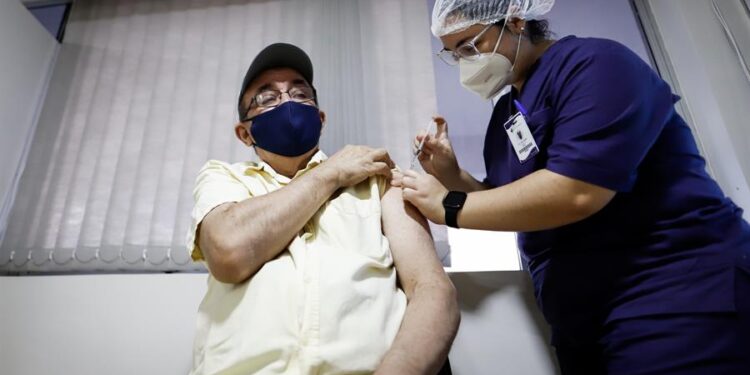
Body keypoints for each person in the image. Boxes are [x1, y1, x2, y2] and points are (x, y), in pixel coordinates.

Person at [393, 0, 750, 373]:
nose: (465, 63)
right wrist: (452, 176)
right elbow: (515, 203)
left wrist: (449, 206)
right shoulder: (508, 113)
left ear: (516, 21)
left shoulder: (597, 65)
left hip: (674, 294)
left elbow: (577, 191)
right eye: (454, 54)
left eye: (470, 46)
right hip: (584, 318)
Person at [186, 43, 459, 375]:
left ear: (320, 118)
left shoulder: (376, 180)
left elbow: (432, 290)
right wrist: (331, 173)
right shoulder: (223, 178)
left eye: (300, 93)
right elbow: (228, 253)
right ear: (245, 133)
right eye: (267, 98)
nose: (287, 102)